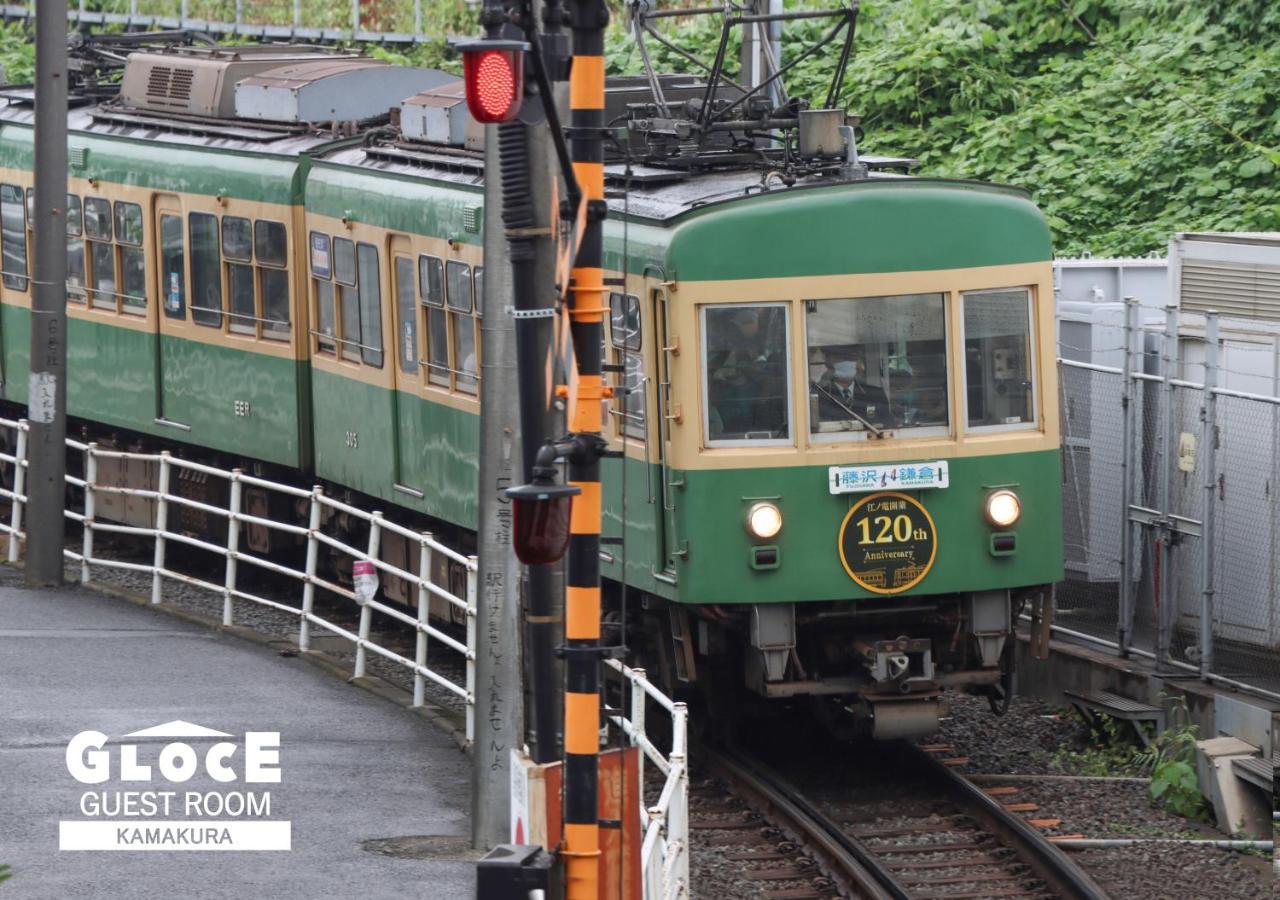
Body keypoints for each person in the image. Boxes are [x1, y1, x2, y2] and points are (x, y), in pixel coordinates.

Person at [816, 354, 895, 428]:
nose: (846, 363)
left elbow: (889, 425)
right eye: (840, 358)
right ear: (828, 363)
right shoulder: (821, 396)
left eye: (850, 358)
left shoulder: (876, 394)